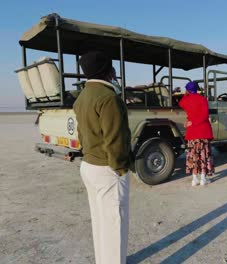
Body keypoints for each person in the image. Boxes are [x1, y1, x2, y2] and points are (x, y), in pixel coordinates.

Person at [73, 51, 133, 264]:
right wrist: (120, 168)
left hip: (89, 165)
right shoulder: (108, 98)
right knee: (114, 225)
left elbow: (81, 134)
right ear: (108, 70)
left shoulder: (82, 97)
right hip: (108, 169)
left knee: (100, 221)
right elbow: (115, 139)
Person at [179, 81, 214, 186]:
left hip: (192, 132)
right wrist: (194, 122)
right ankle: (203, 178)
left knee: (193, 155)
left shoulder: (185, 100)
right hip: (203, 131)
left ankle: (194, 179)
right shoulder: (202, 99)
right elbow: (205, 115)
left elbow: (180, 103)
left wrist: (191, 122)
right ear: (197, 89)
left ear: (187, 90)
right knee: (204, 155)